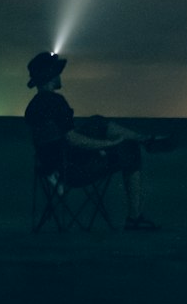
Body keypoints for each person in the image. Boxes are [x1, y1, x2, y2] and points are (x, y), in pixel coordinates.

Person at [24, 50, 161, 231]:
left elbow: (58, 140)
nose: (60, 75)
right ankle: (134, 218)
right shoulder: (57, 102)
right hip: (72, 170)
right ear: (50, 75)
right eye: (57, 71)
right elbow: (73, 140)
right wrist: (109, 144)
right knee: (131, 150)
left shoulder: (32, 107)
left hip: (52, 167)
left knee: (97, 122)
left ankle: (145, 139)